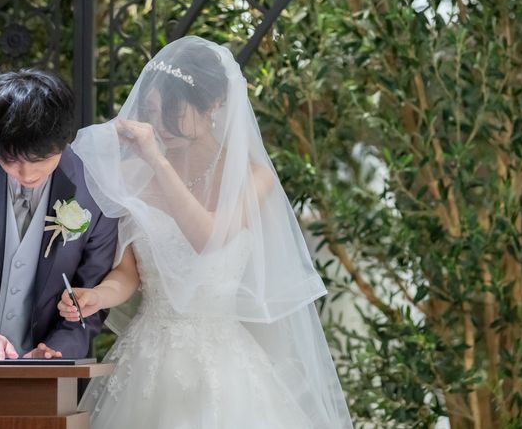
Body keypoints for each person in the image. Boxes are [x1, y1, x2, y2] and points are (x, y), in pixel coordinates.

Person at [59, 36, 353, 428]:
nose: (160, 125)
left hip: (224, 370)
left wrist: (156, 161)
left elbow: (207, 239)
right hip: (145, 360)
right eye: (152, 111)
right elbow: (128, 273)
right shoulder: (133, 175)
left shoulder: (251, 178)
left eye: (174, 112)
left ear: (213, 105)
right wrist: (97, 295)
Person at [0, 69, 118, 359]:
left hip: (41, 369)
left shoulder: (96, 186)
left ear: (64, 139)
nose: (27, 174)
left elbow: (92, 290)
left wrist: (56, 351)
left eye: (41, 160)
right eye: (10, 159)